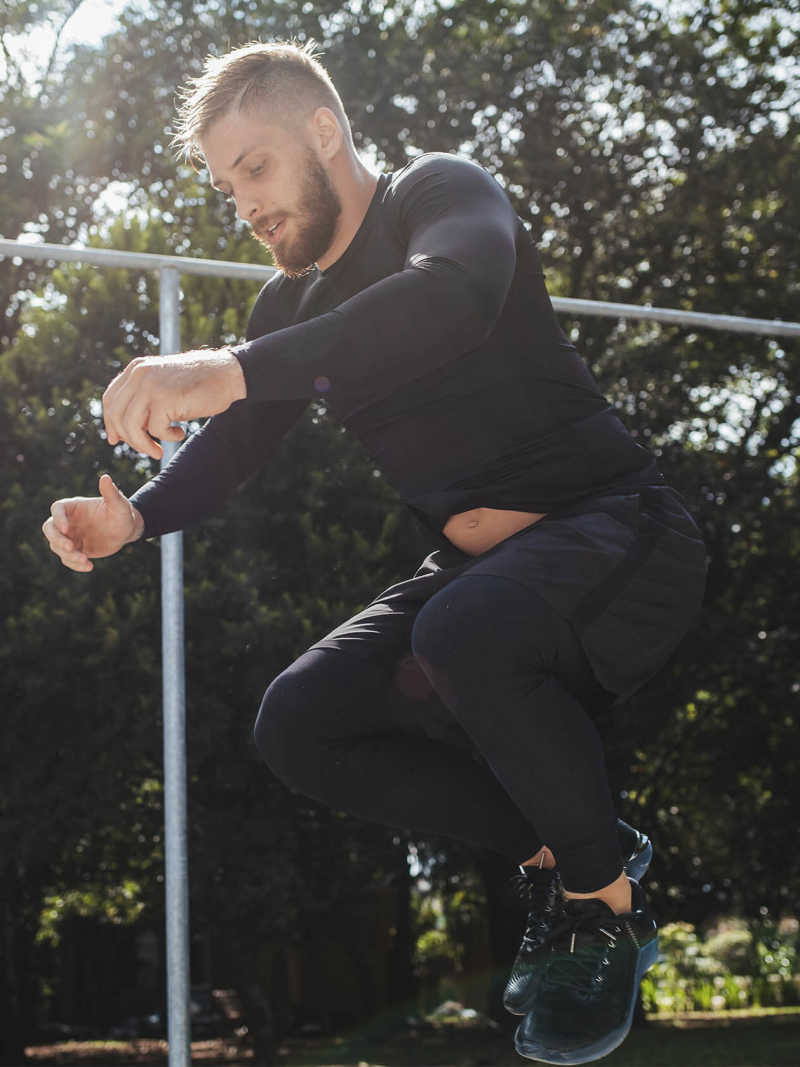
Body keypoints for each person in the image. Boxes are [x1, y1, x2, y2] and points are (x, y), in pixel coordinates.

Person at [42, 40, 708, 1064]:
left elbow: (448, 299)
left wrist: (224, 365)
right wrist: (137, 516)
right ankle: (564, 844)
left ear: (323, 131)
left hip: (619, 532)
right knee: (298, 723)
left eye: (254, 169)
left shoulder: (435, 196)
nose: (245, 206)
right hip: (480, 579)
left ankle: (601, 908)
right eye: (225, 189)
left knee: (461, 629)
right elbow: (237, 448)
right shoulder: (289, 304)